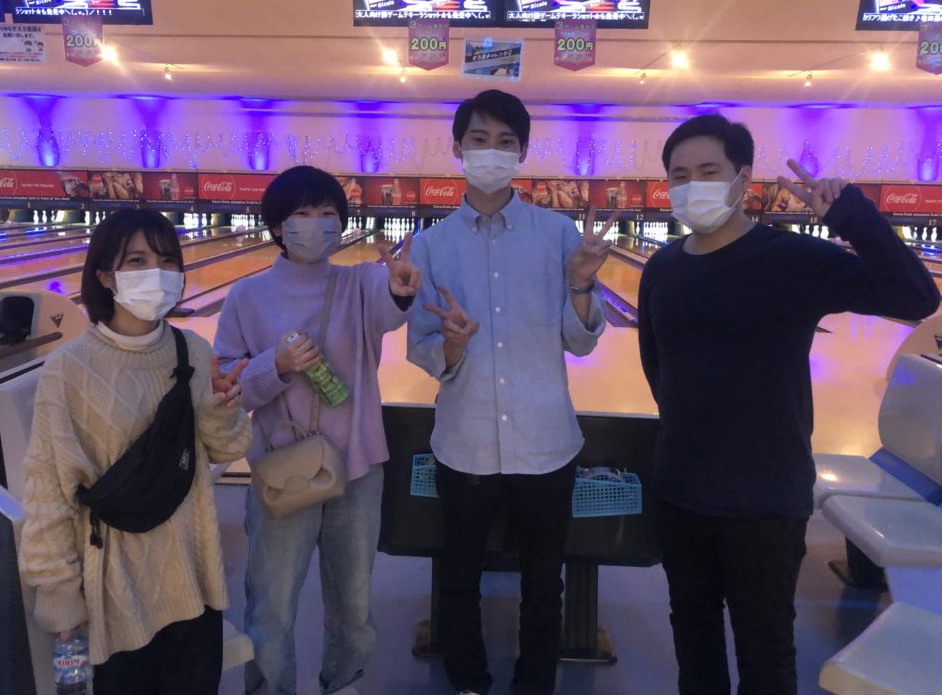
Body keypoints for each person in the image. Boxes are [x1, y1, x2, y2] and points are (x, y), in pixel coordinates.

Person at [637, 113, 940, 695]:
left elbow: (915, 297)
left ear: (742, 178)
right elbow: (659, 369)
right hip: (680, 487)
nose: (693, 184)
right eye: (680, 174)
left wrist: (853, 216)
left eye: (709, 171)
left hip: (765, 496)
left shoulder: (792, 259)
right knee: (693, 636)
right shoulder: (662, 267)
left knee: (766, 648)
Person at [407, 89, 612, 695]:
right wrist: (452, 345)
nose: (491, 151)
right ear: (458, 148)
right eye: (479, 139)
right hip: (465, 441)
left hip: (545, 441)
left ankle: (535, 685)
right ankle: (468, 682)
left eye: (505, 141)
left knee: (544, 583)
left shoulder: (558, 234)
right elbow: (423, 347)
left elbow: (580, 342)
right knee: (459, 579)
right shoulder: (430, 245)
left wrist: (581, 285)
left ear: (522, 152)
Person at [18, 209, 252, 694]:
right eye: (139, 261)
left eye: (168, 261)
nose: (158, 273)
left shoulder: (192, 350)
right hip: (117, 594)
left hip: (194, 579)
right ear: (106, 276)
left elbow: (227, 448)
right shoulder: (68, 371)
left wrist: (224, 409)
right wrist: (60, 597)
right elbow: (48, 492)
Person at [213, 165, 421, 695]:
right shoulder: (245, 297)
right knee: (272, 607)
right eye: (302, 213)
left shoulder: (361, 283)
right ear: (277, 227)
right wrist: (276, 365)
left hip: (357, 470)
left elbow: (391, 304)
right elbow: (227, 391)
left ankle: (344, 684)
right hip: (281, 470)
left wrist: (400, 292)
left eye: (328, 213)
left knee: (353, 607)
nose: (316, 223)